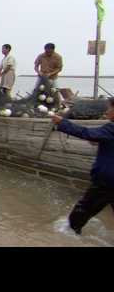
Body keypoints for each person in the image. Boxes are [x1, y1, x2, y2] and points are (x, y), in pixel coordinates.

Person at [51, 98, 114, 235]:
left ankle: (69, 237)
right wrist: (102, 141)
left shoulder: (111, 128)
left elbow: (86, 133)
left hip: (107, 182)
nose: (107, 111)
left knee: (81, 212)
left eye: (110, 108)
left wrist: (62, 122)